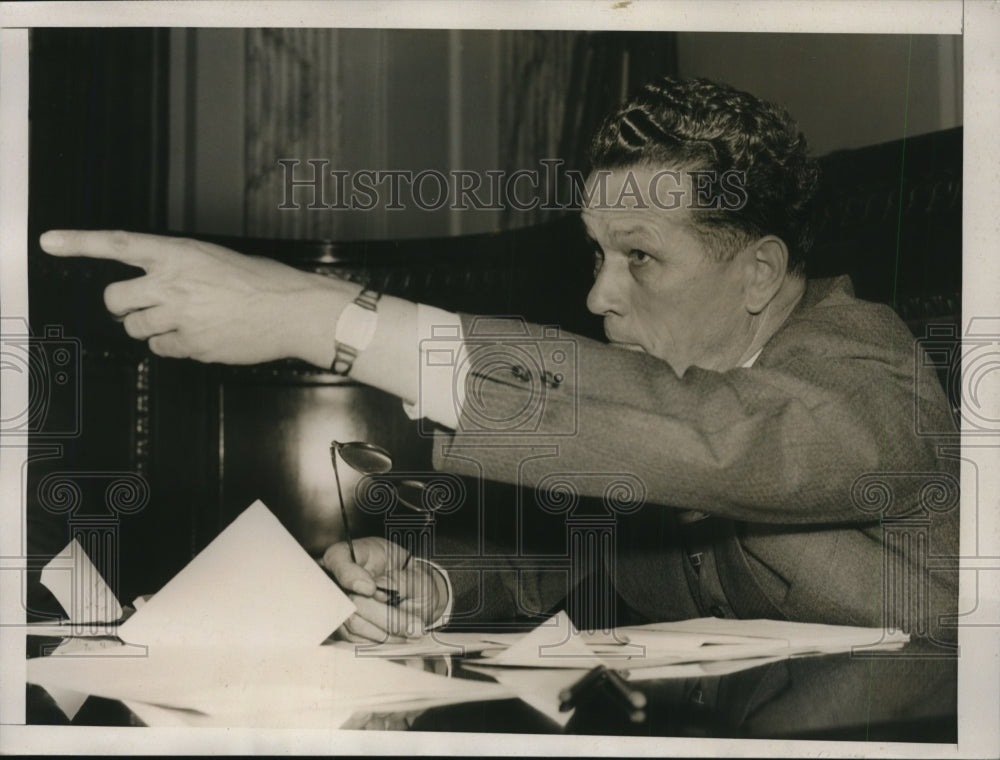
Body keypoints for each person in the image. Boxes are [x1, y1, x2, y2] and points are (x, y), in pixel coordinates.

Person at [39, 76, 958, 646]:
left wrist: (327, 319)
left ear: (757, 272)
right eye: (597, 254)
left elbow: (716, 439)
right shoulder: (680, 395)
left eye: (640, 256)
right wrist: (428, 583)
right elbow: (589, 561)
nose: (598, 295)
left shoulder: (869, 376)